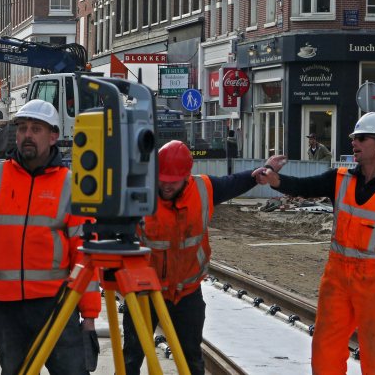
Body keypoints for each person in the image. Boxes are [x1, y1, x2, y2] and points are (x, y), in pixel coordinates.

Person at [0, 99, 101, 375]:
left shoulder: (71, 185)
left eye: (36, 129)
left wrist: (89, 315)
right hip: (5, 309)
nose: (27, 135)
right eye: (22, 129)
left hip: (56, 304)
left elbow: (85, 254)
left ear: (53, 136)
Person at [255, 112, 375, 375]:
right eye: (353, 138)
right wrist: (275, 180)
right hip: (337, 279)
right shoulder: (340, 179)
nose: (354, 143)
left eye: (361, 138)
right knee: (325, 349)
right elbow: (304, 185)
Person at [122, 140, 286, 375]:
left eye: (173, 181)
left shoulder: (203, 189)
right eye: (162, 179)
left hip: (186, 292)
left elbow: (232, 183)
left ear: (186, 176)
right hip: (144, 292)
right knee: (131, 358)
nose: (166, 186)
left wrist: (258, 173)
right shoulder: (138, 193)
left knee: (191, 359)